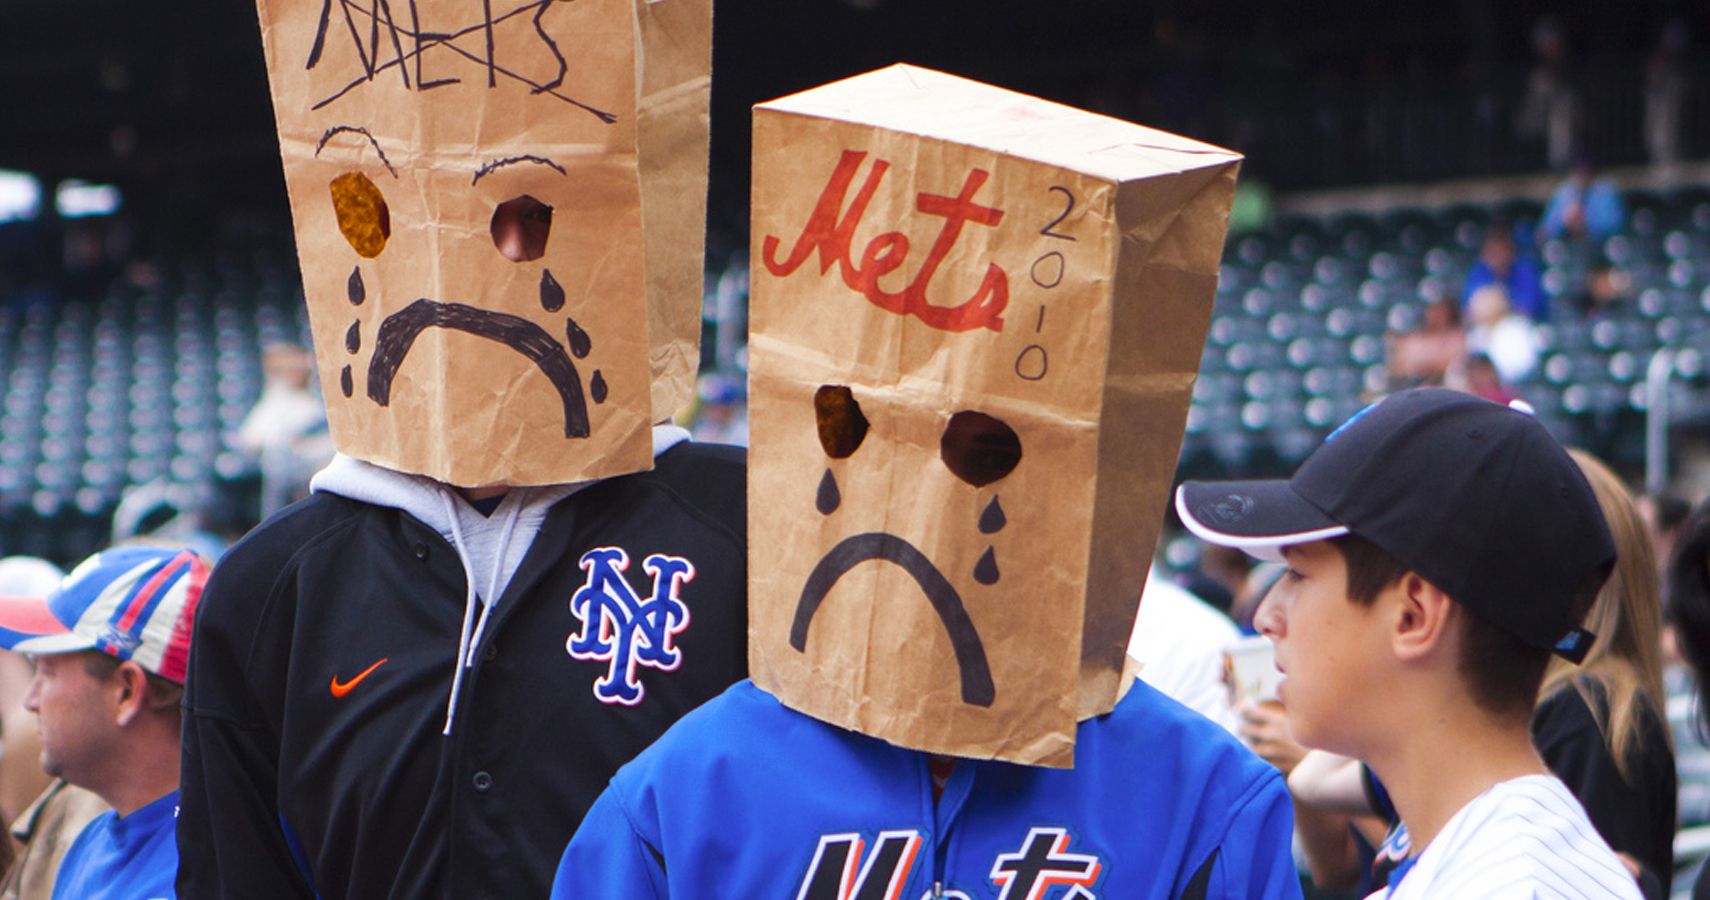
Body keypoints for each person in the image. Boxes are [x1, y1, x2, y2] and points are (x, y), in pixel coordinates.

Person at [178, 1, 744, 896]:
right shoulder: (272, 586)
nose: (492, 256)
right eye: (398, 215)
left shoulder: (752, 530)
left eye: (534, 208)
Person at [1177, 388, 1642, 899]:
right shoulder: (1484, 860)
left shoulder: (1512, 883)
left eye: (1297, 573)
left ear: (1413, 615)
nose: (1266, 616)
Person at [0, 546, 208, 900]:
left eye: (47, 672)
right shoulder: (95, 839)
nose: (30, 700)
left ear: (126, 691)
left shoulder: (197, 875)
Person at [1462, 227, 1546, 322]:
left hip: (1520, 326)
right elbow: (1468, 310)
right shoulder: (1479, 272)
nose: (1497, 257)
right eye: (1492, 252)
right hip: (1486, 328)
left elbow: (1530, 308)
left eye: (1501, 251)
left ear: (1510, 252)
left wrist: (1502, 305)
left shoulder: (1525, 270)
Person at [1540, 158, 1626, 244]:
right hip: (1567, 245)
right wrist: (1566, 222)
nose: (1583, 174)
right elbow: (1546, 227)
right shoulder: (1564, 192)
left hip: (1599, 245)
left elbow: (1616, 224)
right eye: (1579, 171)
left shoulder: (1606, 191)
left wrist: (1586, 224)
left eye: (1586, 171)